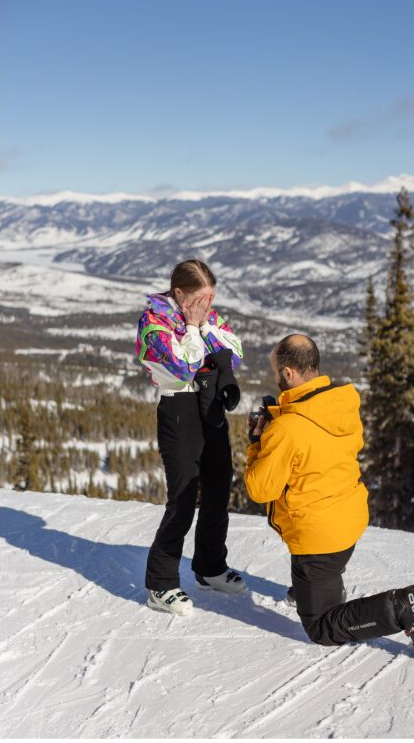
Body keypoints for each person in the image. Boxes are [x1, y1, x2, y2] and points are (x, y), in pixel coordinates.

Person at [244, 334, 414, 662]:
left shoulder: (288, 429)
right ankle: (315, 589)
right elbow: (312, 449)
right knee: (315, 571)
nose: (275, 377)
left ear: (290, 373)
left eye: (276, 371)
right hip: (348, 518)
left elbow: (260, 489)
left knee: (321, 627)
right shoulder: (338, 405)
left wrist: (257, 442)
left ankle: (404, 607)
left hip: (319, 539)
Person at [136, 259, 247, 616]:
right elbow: (182, 365)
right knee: (183, 496)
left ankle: (209, 566)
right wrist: (196, 330)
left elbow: (235, 351)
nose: (207, 306)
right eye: (200, 299)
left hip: (209, 403)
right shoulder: (152, 322)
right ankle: (160, 583)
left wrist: (199, 327)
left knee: (217, 487)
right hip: (179, 407)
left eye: (211, 299)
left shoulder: (203, 316)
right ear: (179, 293)